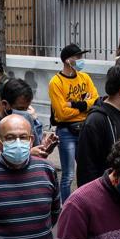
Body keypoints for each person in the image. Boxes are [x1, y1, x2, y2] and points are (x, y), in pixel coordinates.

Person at [48, 44, 98, 202]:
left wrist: (74, 105)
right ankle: (67, 205)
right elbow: (61, 113)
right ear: (67, 60)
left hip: (85, 128)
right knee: (68, 175)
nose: (80, 60)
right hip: (66, 132)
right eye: (77, 57)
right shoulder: (56, 82)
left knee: (87, 171)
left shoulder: (85, 77)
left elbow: (95, 100)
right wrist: (84, 105)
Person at [0, 78, 51, 163]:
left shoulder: (26, 117)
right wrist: (28, 153)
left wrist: (44, 149)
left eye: (26, 108)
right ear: (5, 104)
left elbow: (35, 149)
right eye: (20, 108)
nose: (23, 112)